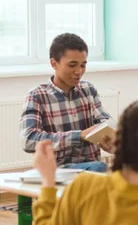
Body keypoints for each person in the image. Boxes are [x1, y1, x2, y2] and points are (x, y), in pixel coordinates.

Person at [20, 33, 113, 172]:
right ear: (54, 63)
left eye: (83, 65)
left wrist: (110, 138)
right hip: (57, 170)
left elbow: (105, 122)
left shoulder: (88, 90)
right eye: (72, 65)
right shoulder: (37, 96)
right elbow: (28, 140)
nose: (79, 71)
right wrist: (79, 135)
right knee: (100, 168)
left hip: (91, 167)